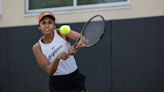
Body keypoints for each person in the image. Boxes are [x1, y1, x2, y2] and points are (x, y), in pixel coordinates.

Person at [32, 11, 87, 92]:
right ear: (39, 26)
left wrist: (75, 47)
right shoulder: (37, 47)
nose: (47, 26)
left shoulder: (62, 32)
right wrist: (58, 58)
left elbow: (84, 40)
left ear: (54, 25)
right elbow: (49, 71)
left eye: (50, 22)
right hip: (57, 84)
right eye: (43, 23)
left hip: (75, 78)